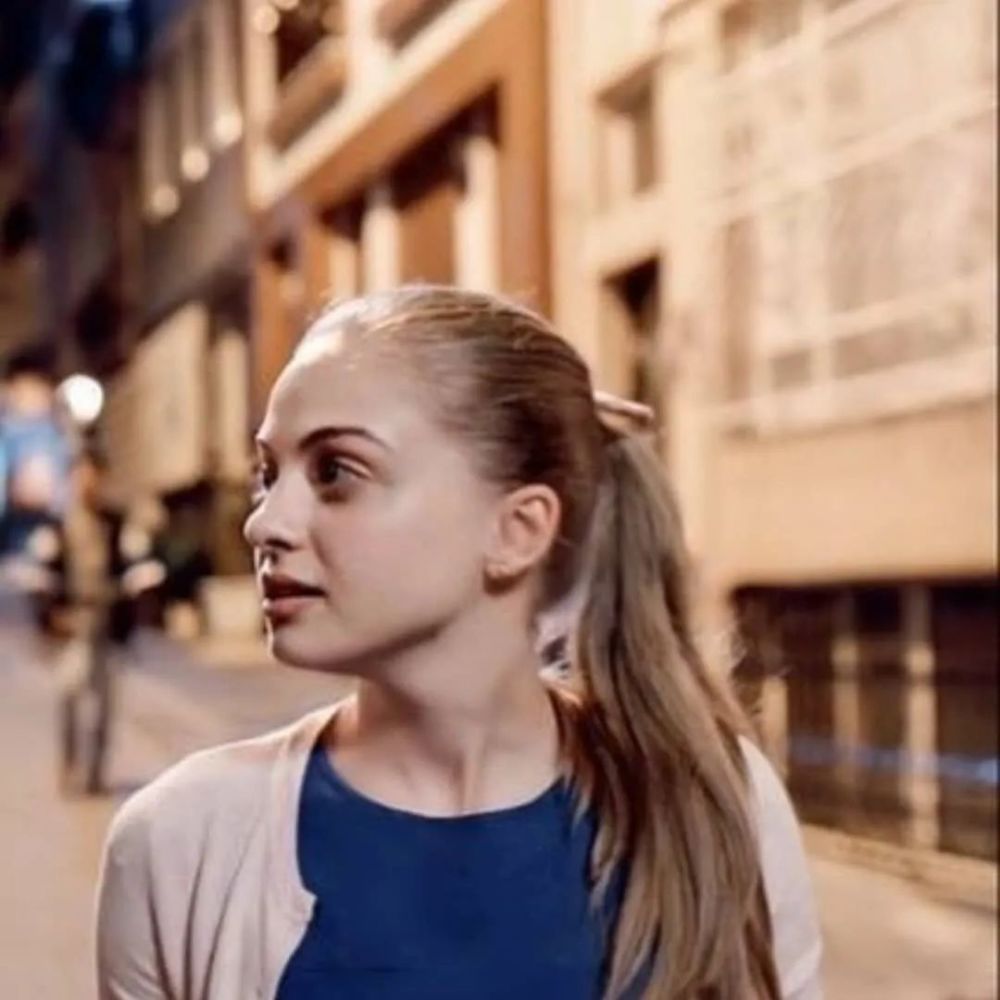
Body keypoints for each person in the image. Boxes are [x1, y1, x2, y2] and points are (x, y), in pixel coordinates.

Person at [96, 286, 822, 999]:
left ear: (517, 529)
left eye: (336, 472)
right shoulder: (181, 841)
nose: (264, 523)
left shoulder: (716, 806)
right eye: (268, 475)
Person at [49, 444, 165, 794]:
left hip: (109, 623)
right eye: (81, 476)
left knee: (104, 703)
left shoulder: (115, 523)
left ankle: (95, 774)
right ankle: (70, 765)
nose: (87, 483)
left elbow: (134, 563)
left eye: (93, 476)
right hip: (75, 625)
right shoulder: (60, 527)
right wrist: (54, 614)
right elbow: (49, 576)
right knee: (69, 695)